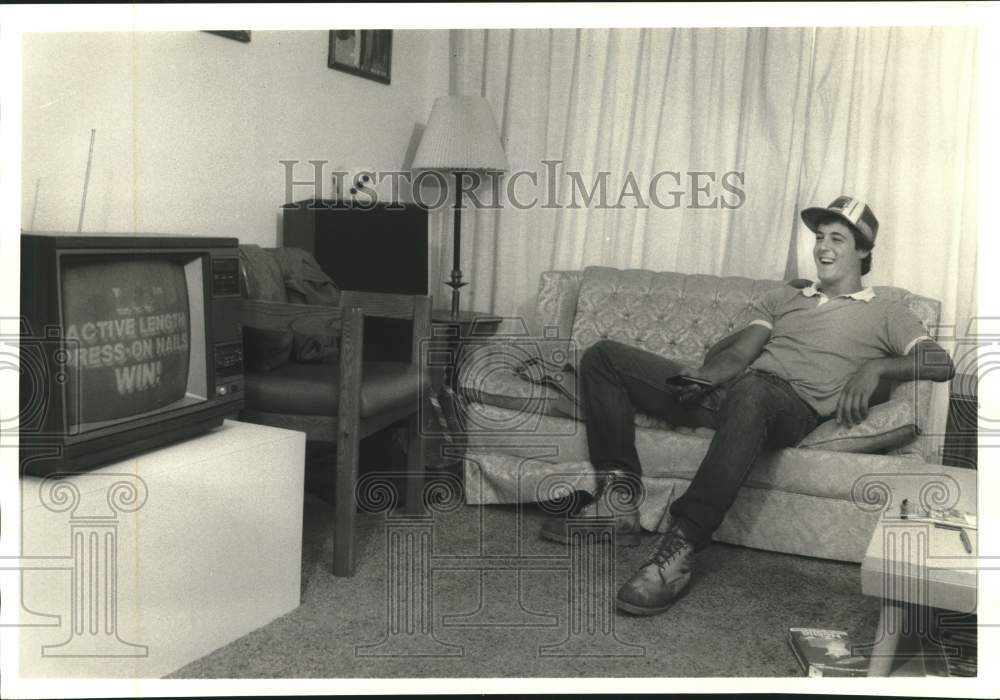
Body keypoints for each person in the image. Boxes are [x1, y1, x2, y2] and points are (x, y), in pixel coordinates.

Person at [539, 196, 955, 617]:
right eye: (818, 237)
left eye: (837, 239)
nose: (823, 247)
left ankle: (682, 544)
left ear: (864, 251)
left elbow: (941, 363)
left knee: (754, 390)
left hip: (789, 407)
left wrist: (878, 367)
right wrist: (702, 379)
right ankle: (618, 501)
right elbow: (739, 358)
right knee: (604, 356)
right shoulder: (785, 299)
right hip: (737, 391)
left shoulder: (887, 312)